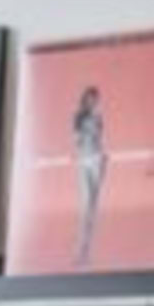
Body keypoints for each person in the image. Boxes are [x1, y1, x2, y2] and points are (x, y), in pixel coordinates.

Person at [69, 84, 110, 267]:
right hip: (84, 161)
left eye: (96, 98)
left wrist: (103, 155)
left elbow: (100, 138)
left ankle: (86, 253)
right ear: (85, 99)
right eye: (91, 98)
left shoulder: (99, 117)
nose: (94, 101)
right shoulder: (78, 117)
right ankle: (81, 253)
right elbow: (77, 141)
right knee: (86, 208)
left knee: (92, 209)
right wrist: (87, 132)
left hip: (97, 160)